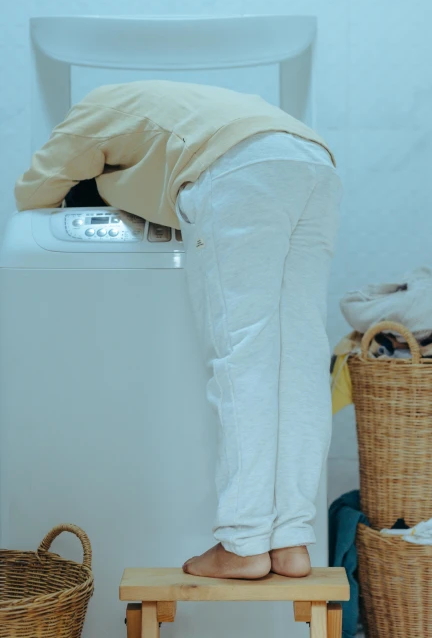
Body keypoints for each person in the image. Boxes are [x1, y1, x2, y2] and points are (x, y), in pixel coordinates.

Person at [14, 80, 343, 580]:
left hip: (239, 170)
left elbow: (36, 190)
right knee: (298, 361)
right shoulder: (179, 104)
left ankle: (243, 543)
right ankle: (291, 540)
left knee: (243, 358)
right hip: (312, 162)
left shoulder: (93, 107)